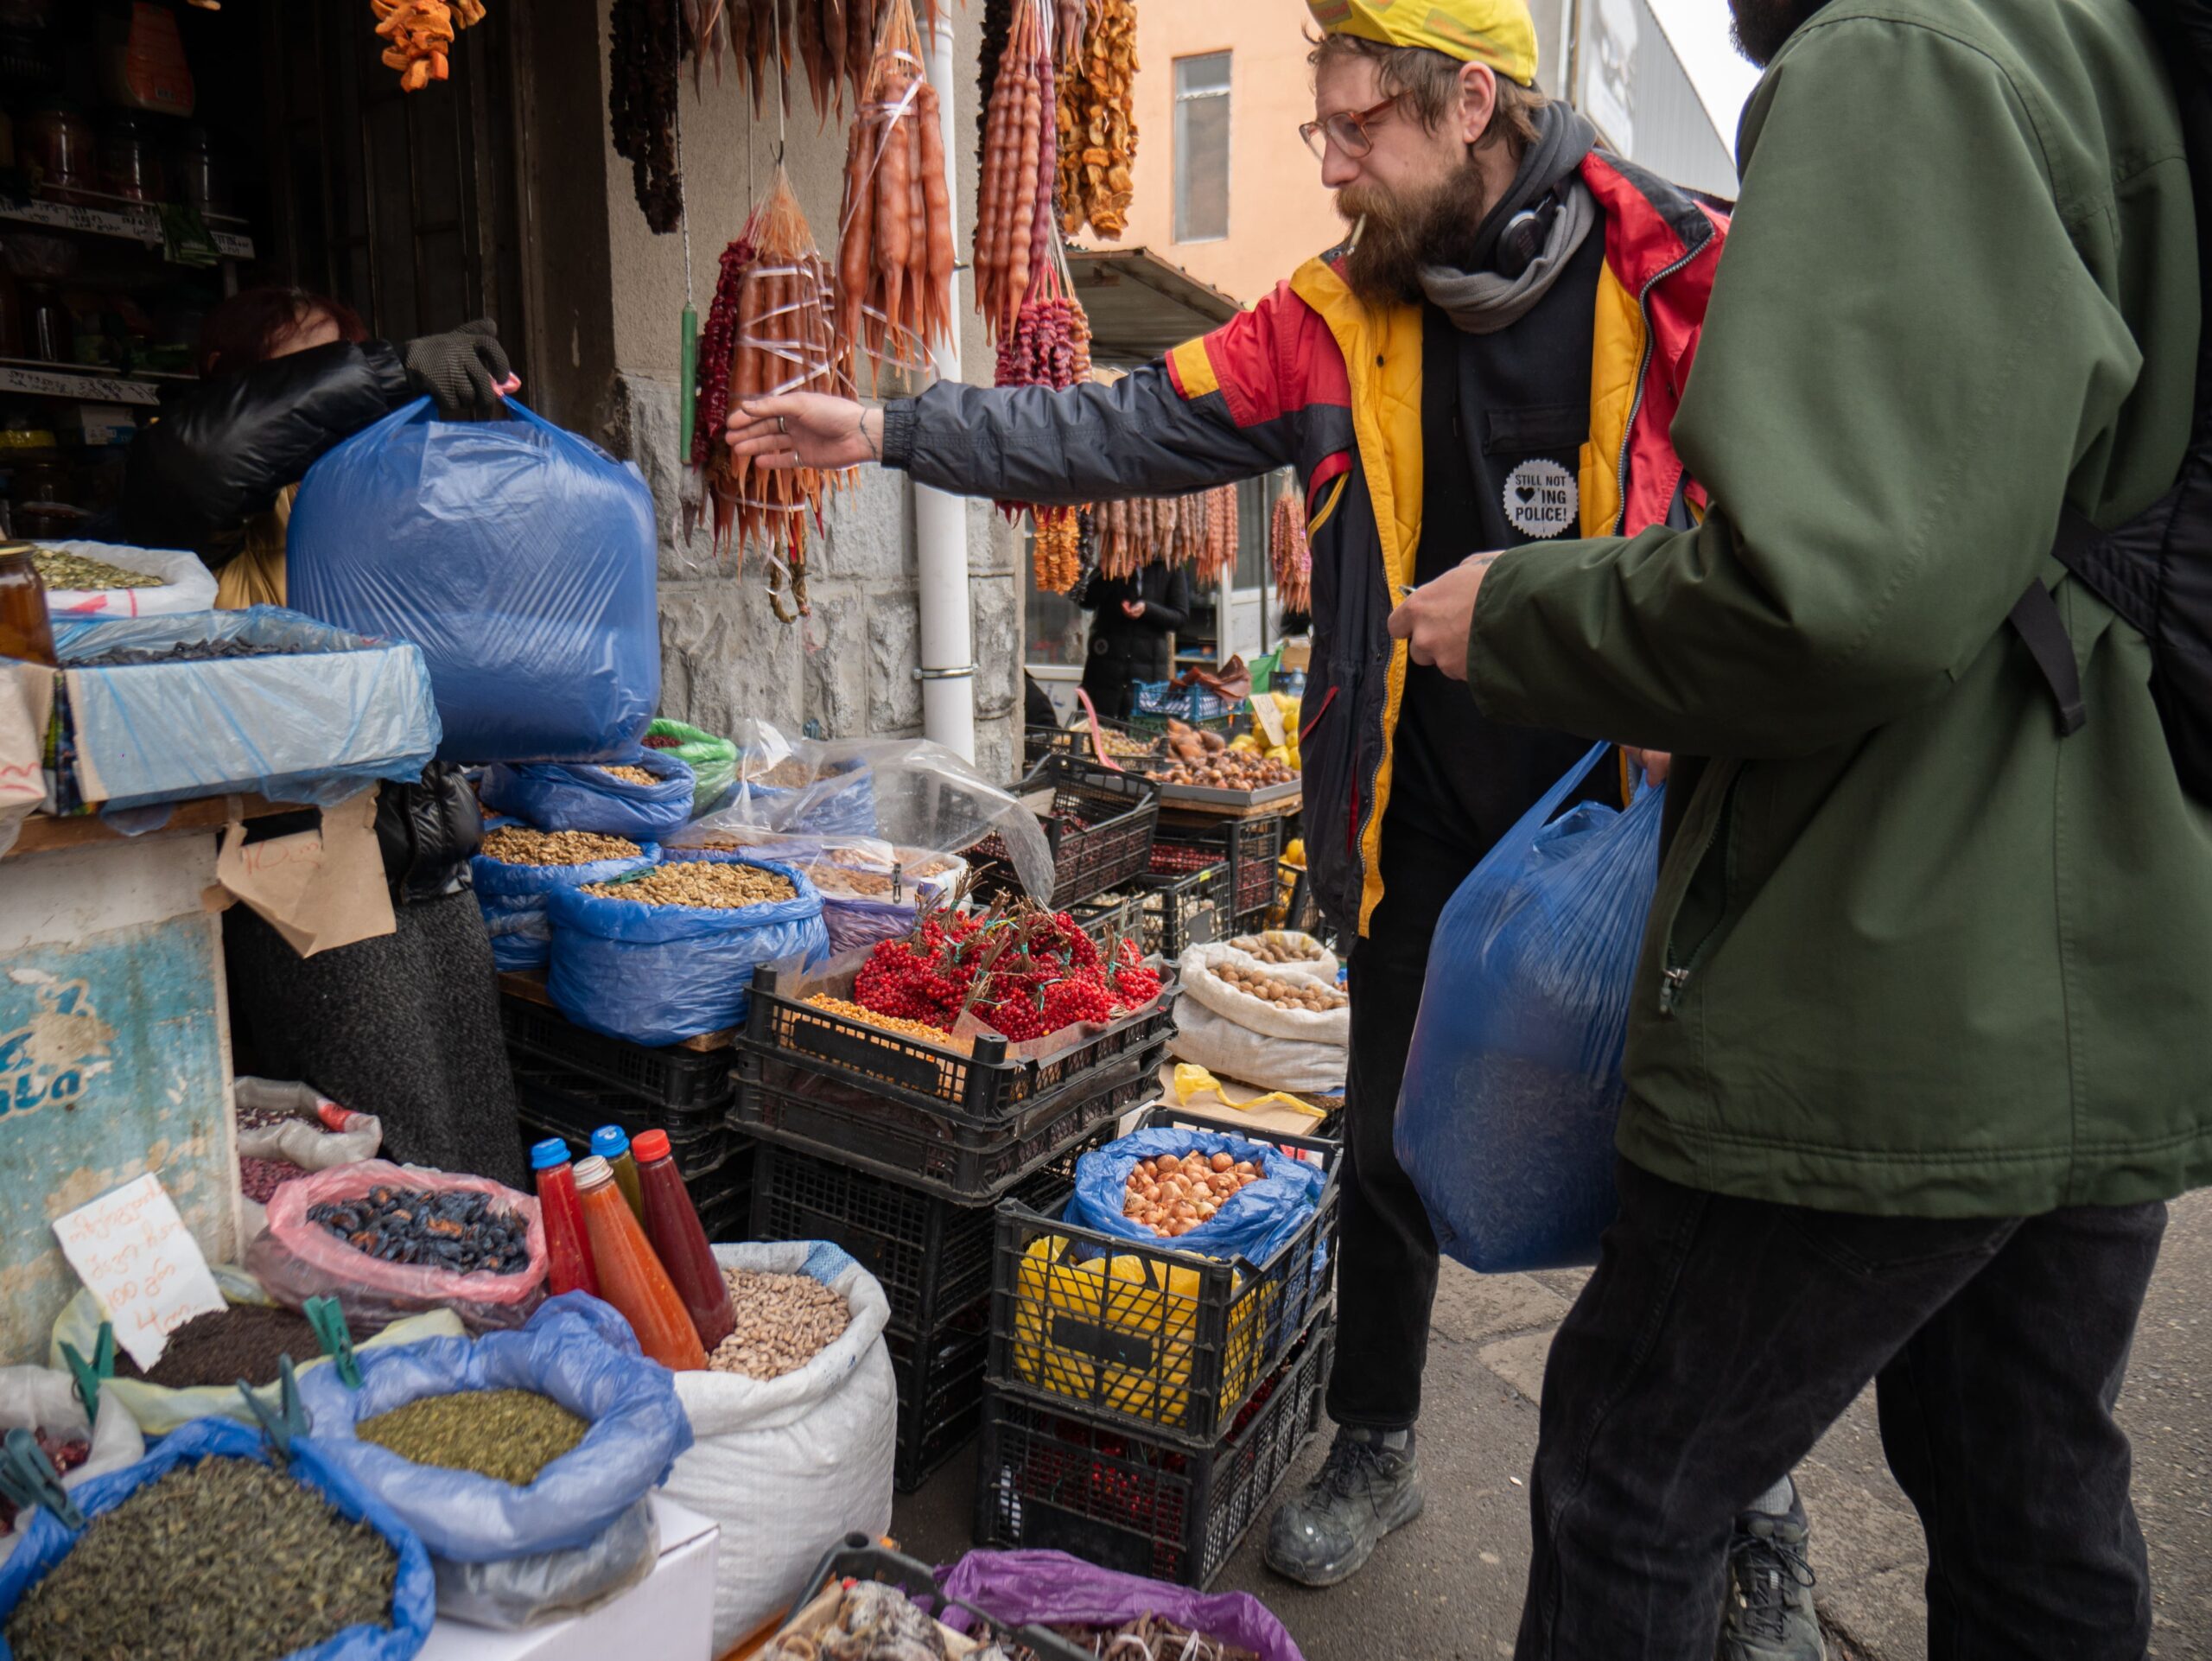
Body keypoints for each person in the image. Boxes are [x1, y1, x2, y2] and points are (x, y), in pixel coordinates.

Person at [728, 7, 1816, 1646]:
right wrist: (891, 429)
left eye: (1356, 126)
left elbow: (1804, 521)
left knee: (1685, 1173)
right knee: (1383, 1143)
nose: (1332, 164)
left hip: (1640, 824)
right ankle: (1377, 1438)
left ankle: (1756, 1501)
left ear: (1471, 101)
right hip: (1409, 815)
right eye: (1323, 128)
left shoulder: (1685, 271)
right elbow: (1111, 428)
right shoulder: (1327, 316)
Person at [1382, 0, 2203, 1645]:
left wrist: (1523, 611)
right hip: (2100, 922)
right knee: (2023, 1482)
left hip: (1911, 940)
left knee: (1635, 1468)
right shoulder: (2089, 38)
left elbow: (1828, 591)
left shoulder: (1901, 49)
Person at [92, 286, 530, 1186]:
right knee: (399, 1175)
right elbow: (202, 457)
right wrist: (389, 369)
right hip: (310, 882)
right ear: (230, 382)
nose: (331, 395)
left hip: (430, 860)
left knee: (484, 1158)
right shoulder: (197, 515)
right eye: (307, 373)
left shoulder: (363, 493)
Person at [1076, 563, 1192, 721]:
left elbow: (1180, 617)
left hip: (1148, 672)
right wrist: (1108, 575)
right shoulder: (1114, 560)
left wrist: (1147, 609)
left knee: (1140, 728)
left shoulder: (1170, 565)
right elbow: (1085, 600)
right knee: (1099, 726)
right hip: (1106, 671)